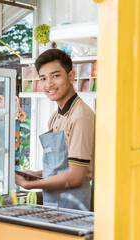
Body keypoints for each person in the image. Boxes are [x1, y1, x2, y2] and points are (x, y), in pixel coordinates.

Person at [15, 49, 95, 211]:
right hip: (53, 203)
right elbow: (62, 167)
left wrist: (32, 184)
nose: (48, 84)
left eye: (55, 76)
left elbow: (75, 177)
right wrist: (34, 174)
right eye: (43, 78)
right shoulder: (55, 117)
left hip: (75, 206)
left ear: (71, 77)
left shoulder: (80, 116)